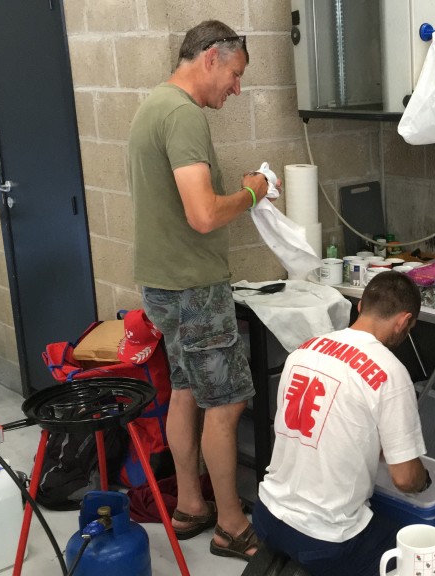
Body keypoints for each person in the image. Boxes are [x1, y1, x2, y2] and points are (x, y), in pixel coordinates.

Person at [127, 19, 272, 559]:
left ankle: (190, 504)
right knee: (228, 403)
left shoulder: (152, 106)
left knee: (186, 389)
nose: (235, 89)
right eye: (234, 75)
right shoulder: (183, 115)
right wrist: (252, 194)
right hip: (194, 288)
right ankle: (232, 524)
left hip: (162, 285)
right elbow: (205, 214)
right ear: (211, 56)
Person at [253, 271, 430, 576]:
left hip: (267, 515)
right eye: (410, 327)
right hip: (327, 540)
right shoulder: (390, 372)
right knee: (417, 551)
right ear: (403, 321)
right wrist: (424, 481)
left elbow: (333, 427)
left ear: (360, 305)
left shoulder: (303, 350)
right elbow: (404, 479)